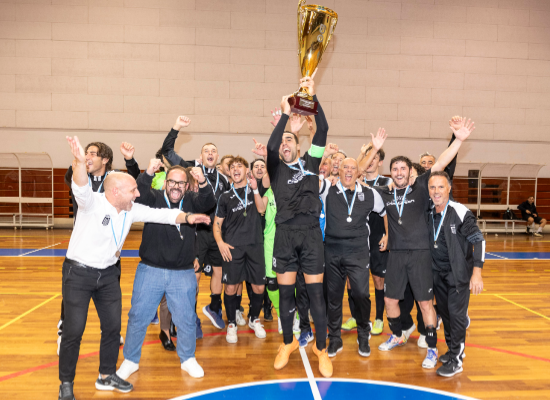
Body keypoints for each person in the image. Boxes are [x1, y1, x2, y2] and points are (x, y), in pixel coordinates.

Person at [59, 137, 210, 400]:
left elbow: (163, 215)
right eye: (133, 190)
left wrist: (188, 217)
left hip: (108, 275)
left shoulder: (131, 210)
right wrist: (80, 162)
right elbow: (81, 185)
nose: (138, 193)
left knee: (112, 329)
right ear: (116, 192)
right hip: (79, 274)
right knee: (74, 331)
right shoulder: (91, 203)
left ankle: (106, 375)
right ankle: (66, 383)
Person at [372, 117, 475, 371]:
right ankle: (398, 334)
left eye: (402, 169)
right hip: (396, 255)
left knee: (425, 303)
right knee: (390, 301)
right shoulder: (385, 191)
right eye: (394, 169)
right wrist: (374, 149)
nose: (398, 172)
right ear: (390, 173)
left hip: (420, 255)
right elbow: (360, 176)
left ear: (410, 172)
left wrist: (458, 140)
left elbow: (441, 162)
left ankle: (431, 348)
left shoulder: (420, 187)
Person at [116, 160, 215, 382]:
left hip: (182, 272)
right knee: (138, 316)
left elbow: (208, 202)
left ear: (187, 186)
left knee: (186, 319)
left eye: (181, 183)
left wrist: (203, 181)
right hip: (150, 269)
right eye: (172, 182)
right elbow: (139, 195)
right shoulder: (154, 198)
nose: (176, 187)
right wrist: (148, 172)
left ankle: (188, 358)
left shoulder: (192, 200)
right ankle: (130, 360)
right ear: (165, 183)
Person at [267, 71, 333, 378]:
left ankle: (321, 348)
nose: (284, 144)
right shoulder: (275, 168)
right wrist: (285, 116)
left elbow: (323, 130)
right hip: (284, 236)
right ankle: (288, 342)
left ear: (298, 145)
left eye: (289, 140)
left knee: (316, 295)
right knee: (285, 295)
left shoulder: (311, 163)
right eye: (282, 140)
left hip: (310, 235)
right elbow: (270, 147)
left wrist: (311, 95)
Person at [57, 142, 140, 355]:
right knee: (71, 295)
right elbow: (71, 176)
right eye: (87, 153)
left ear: (105, 159)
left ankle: (111, 330)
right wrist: (79, 161)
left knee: (111, 293)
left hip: (109, 250)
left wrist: (129, 159)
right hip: (83, 249)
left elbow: (135, 181)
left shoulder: (114, 180)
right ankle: (63, 331)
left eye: (93, 154)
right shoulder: (79, 174)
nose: (88, 156)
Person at [160, 116, 232, 330]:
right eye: (206, 150)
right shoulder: (190, 169)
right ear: (201, 156)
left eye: (213, 151)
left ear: (217, 157)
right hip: (196, 232)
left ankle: (215, 308)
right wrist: (176, 127)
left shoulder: (224, 179)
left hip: (216, 232)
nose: (210, 153)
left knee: (219, 271)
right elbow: (166, 151)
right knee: (195, 275)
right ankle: (191, 317)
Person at [325, 155, 386, 358]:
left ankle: (363, 334)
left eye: (353, 168)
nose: (349, 171)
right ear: (339, 171)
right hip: (332, 251)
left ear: (358, 172)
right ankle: (335, 338)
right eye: (345, 167)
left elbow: (384, 212)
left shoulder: (370, 193)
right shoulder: (328, 190)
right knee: (334, 297)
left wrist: (387, 234)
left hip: (358, 251)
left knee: (361, 294)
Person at [427, 171, 484, 376]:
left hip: (458, 275)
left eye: (441, 187)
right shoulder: (428, 211)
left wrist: (476, 273)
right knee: (447, 315)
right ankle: (452, 351)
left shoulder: (460, 211)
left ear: (449, 188)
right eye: (432, 187)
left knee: (457, 316)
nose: (436, 191)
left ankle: (456, 360)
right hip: (437, 274)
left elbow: (479, 241)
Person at [214, 157, 267, 343]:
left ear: (246, 171)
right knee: (230, 287)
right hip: (233, 248)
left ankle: (254, 318)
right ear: (229, 172)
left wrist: (255, 189)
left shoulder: (255, 189)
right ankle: (231, 324)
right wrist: (220, 242)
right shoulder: (225, 197)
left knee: (259, 286)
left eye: (239, 166)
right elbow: (217, 224)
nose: (235, 169)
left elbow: (261, 209)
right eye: (232, 167)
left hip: (255, 246)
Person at [348, 143, 391, 336]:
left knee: (378, 279)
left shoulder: (387, 182)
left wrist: (388, 234)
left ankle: (379, 318)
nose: (370, 161)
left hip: (377, 237)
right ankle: (355, 317)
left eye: (374, 157)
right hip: (357, 238)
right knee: (352, 280)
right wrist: (361, 153)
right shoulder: (355, 180)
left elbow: (382, 198)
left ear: (380, 162)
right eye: (368, 157)